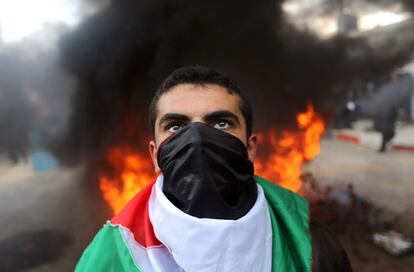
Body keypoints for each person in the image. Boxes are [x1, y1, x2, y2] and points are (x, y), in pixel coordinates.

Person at [75, 66, 352, 271]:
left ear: (250, 147)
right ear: (155, 155)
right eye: (176, 126)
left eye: (220, 123)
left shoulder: (315, 249)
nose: (196, 138)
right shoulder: (110, 255)